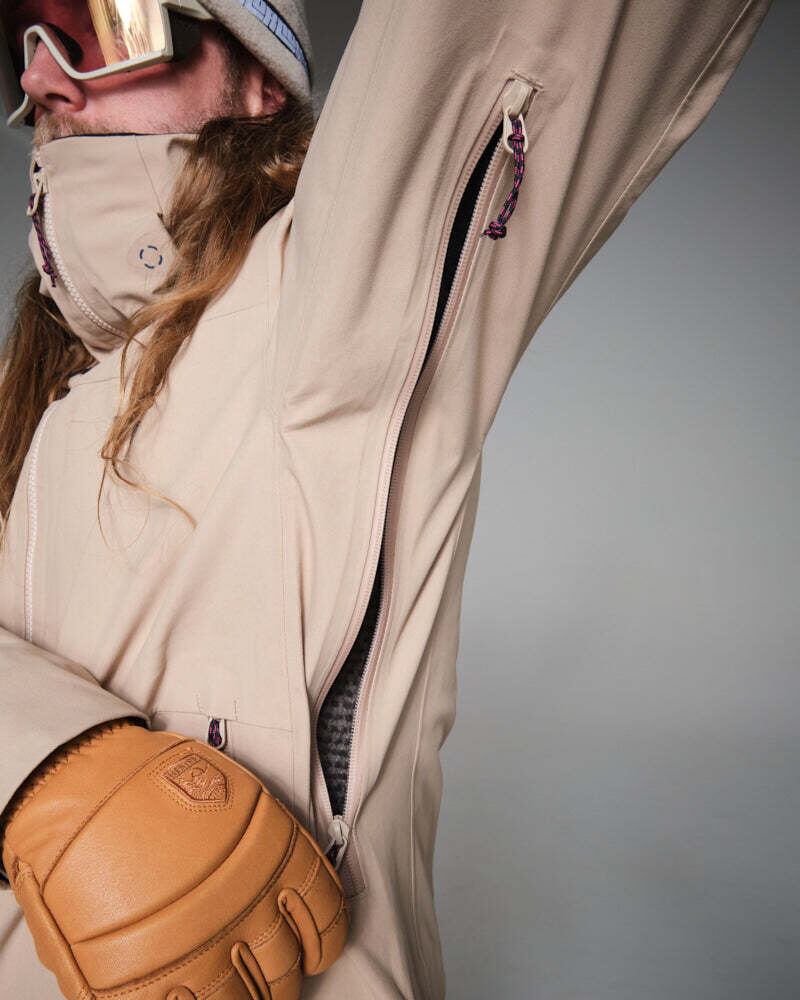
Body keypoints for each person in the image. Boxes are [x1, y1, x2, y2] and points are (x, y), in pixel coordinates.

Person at [0, 0, 774, 997]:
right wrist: (51, 760)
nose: (41, 76)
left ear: (259, 82)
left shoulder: (328, 290)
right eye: (25, 39)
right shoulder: (32, 403)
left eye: (106, 23)